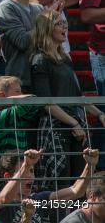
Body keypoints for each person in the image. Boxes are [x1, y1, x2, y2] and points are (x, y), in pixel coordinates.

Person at [31, 11, 105, 183]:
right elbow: (47, 102)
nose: (65, 27)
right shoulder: (40, 60)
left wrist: (100, 113)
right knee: (61, 182)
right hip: (55, 127)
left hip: (74, 128)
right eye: (59, 24)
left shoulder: (65, 59)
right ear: (47, 29)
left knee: (79, 181)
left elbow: (78, 97)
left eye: (64, 23)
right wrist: (74, 123)